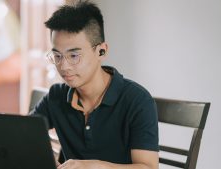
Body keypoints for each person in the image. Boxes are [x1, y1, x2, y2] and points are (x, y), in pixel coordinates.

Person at [30, 1, 159, 169]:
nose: (64, 66)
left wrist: (94, 166)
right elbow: (24, 135)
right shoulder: (57, 96)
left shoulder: (137, 100)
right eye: (57, 56)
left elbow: (148, 168)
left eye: (74, 55)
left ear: (101, 51)